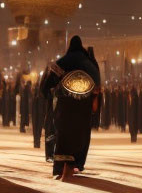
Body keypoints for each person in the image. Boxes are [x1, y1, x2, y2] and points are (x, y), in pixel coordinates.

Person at [40, 36, 100, 181]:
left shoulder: (62, 62)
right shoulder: (90, 65)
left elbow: (46, 86)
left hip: (65, 107)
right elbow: (97, 89)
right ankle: (73, 165)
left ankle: (61, 168)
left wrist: (50, 96)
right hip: (83, 108)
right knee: (79, 137)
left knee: (64, 137)